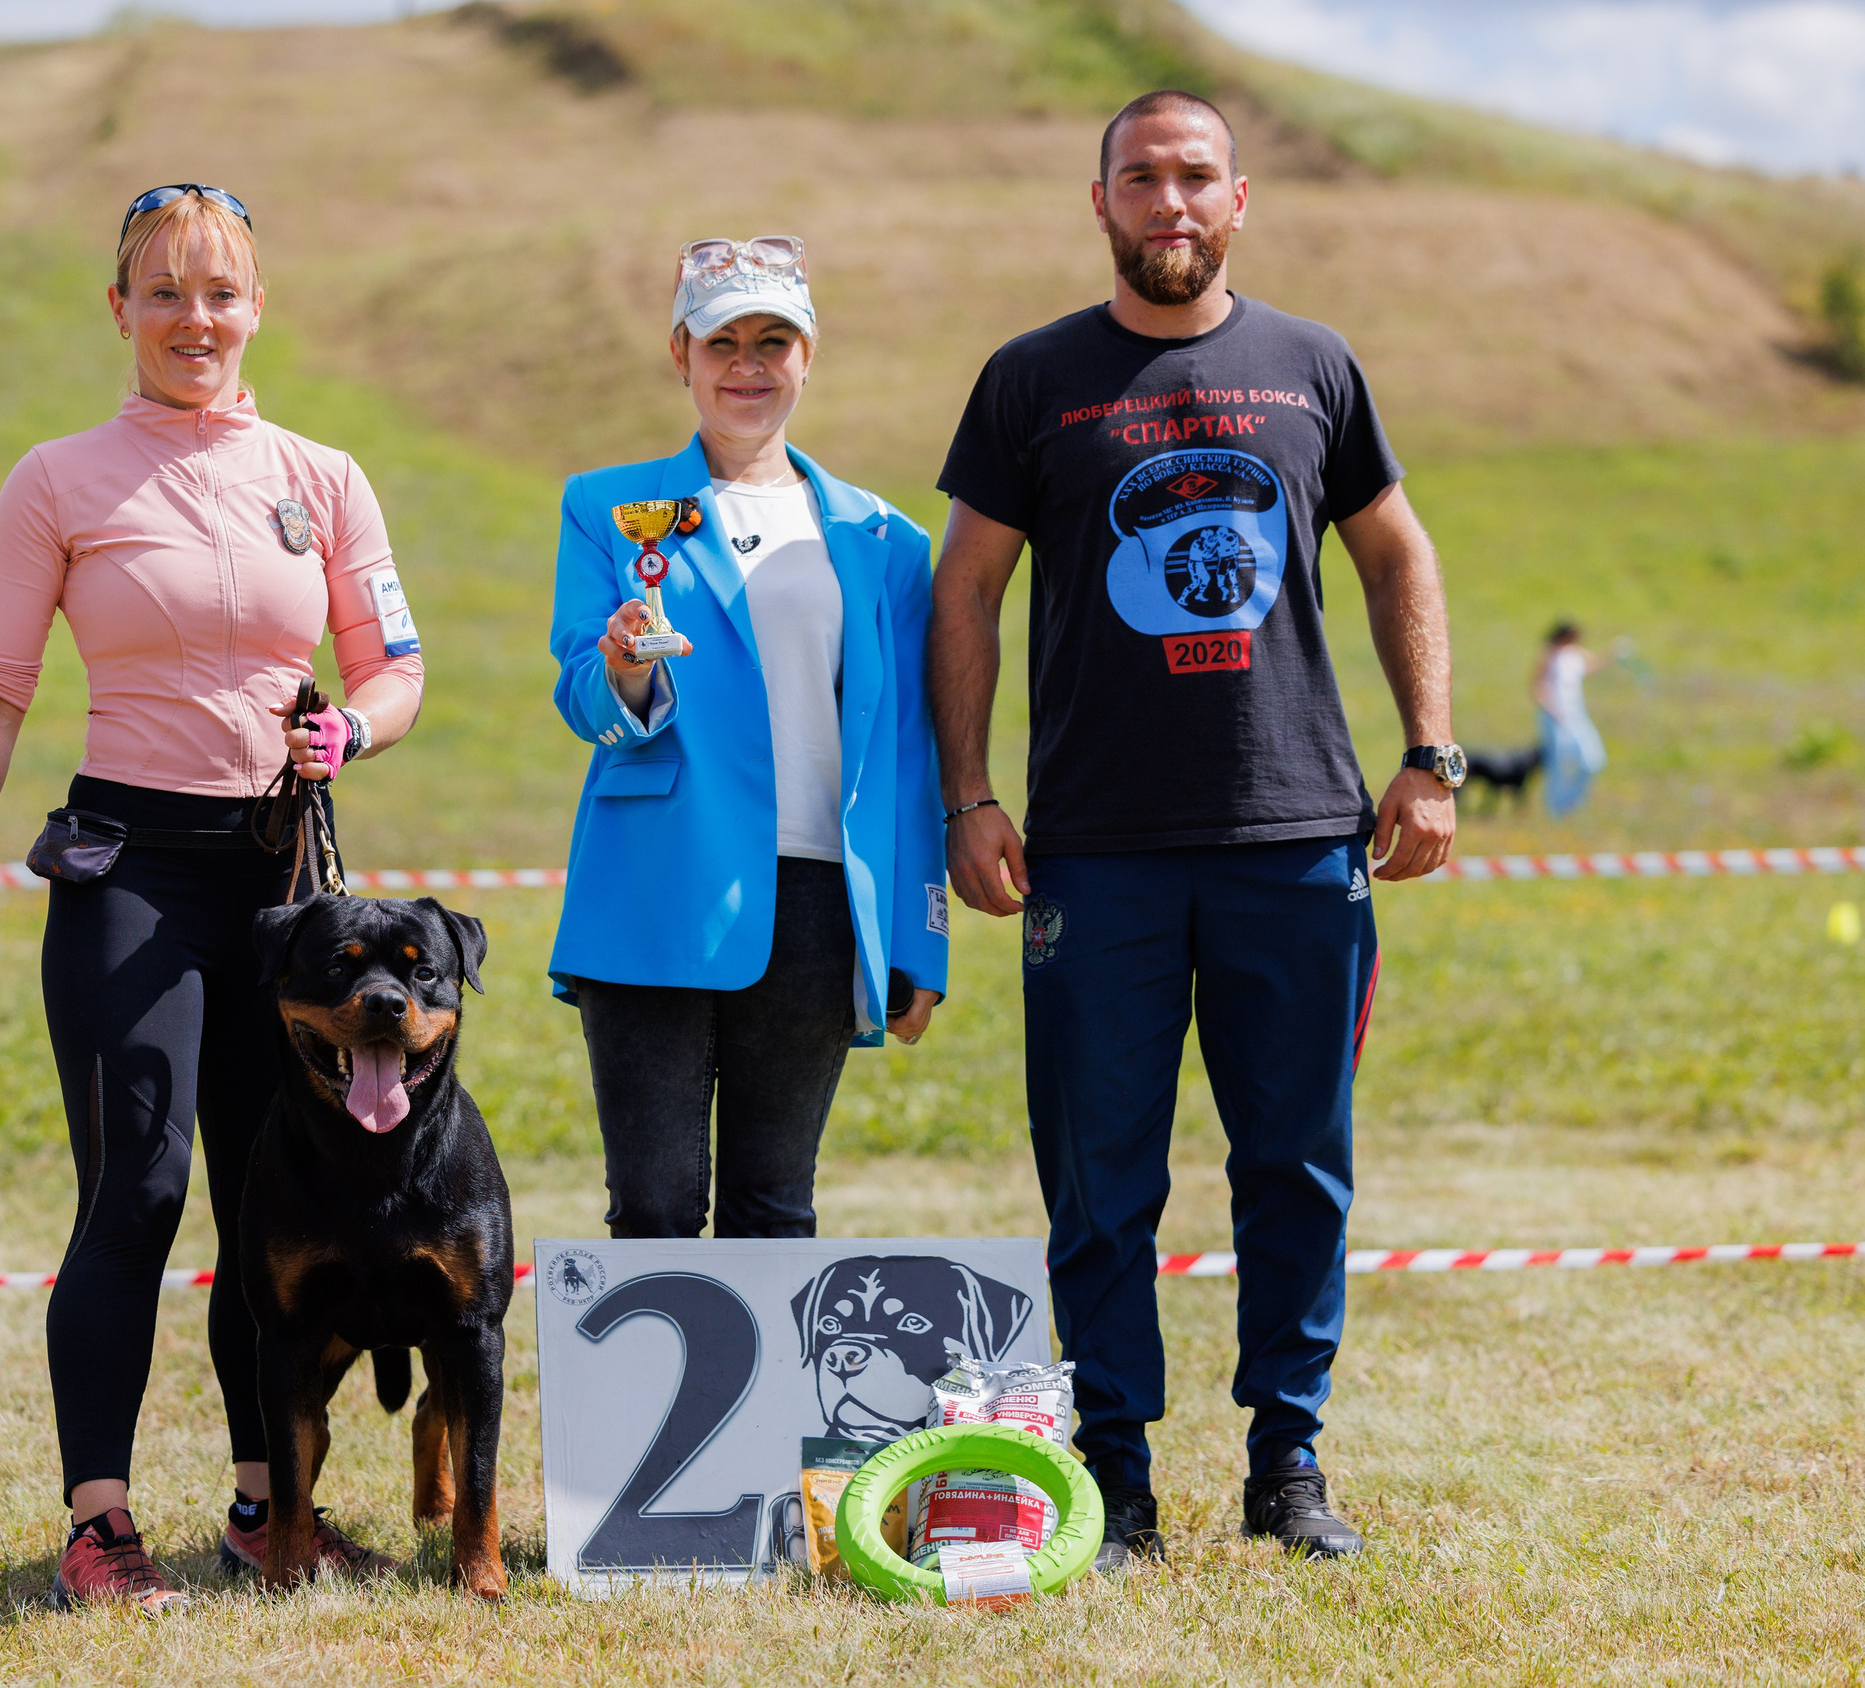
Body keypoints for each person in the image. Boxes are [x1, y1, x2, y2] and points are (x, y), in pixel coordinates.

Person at [928, 93, 1463, 1563]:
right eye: (1141, 177)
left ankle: (1288, 1460)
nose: (1170, 200)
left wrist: (1429, 755)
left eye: (1196, 176)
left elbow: (1397, 552)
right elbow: (964, 591)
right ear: (1098, 201)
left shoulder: (1314, 366)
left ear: (1239, 201)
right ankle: (1113, 1475)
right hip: (1093, 850)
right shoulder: (1030, 379)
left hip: (1296, 838)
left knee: (1295, 1162)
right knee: (1101, 1177)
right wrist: (969, 795)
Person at [0, 185, 426, 1613]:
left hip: (281, 889)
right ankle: (100, 1526)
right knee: (135, 1188)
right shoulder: (57, 480)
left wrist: (352, 729)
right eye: (165, 292)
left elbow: (395, 668)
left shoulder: (323, 476)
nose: (195, 319)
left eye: (221, 292)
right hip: (130, 874)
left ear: (258, 309)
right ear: (119, 307)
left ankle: (270, 1508)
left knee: (269, 1202)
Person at [547, 235, 948, 1240]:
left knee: (776, 1208)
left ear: (809, 356)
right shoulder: (602, 508)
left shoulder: (888, 540)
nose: (747, 365)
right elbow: (583, 698)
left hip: (819, 900)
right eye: (721, 341)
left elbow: (908, 752)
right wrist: (625, 669)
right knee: (651, 1206)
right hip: (652, 886)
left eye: (773, 340)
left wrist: (918, 938)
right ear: (678, 354)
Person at [1534, 619, 1606, 816]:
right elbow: (1537, 686)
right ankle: (1555, 810)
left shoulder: (1575, 653)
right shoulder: (1548, 654)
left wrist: (1615, 652)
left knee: (1592, 760)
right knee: (1557, 764)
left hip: (1576, 715)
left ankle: (1571, 803)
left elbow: (1593, 665)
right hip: (1554, 717)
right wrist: (1552, 709)